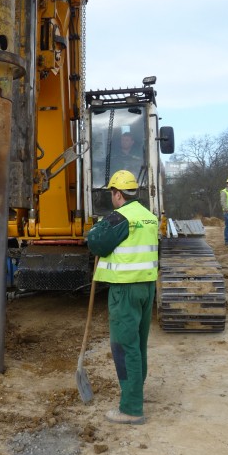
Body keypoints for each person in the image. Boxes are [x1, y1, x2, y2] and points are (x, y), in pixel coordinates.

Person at [87, 169, 158, 425]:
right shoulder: (149, 217)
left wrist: (97, 231)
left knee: (124, 347)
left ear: (118, 193)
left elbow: (95, 241)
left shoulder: (120, 218)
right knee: (138, 344)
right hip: (146, 288)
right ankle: (137, 391)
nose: (112, 198)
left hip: (125, 290)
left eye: (112, 193)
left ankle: (131, 408)